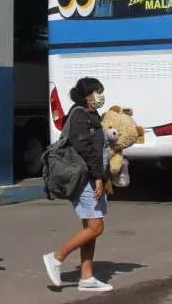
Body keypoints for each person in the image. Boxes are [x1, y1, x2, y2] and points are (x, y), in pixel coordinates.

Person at [42, 77, 113, 293]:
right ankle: (56, 257)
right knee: (96, 228)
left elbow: (99, 147)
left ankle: (87, 276)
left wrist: (105, 175)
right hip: (85, 179)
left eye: (101, 91)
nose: (100, 96)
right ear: (86, 95)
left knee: (89, 229)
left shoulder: (92, 114)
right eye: (97, 92)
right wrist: (98, 176)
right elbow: (85, 148)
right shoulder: (79, 114)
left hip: (93, 177)